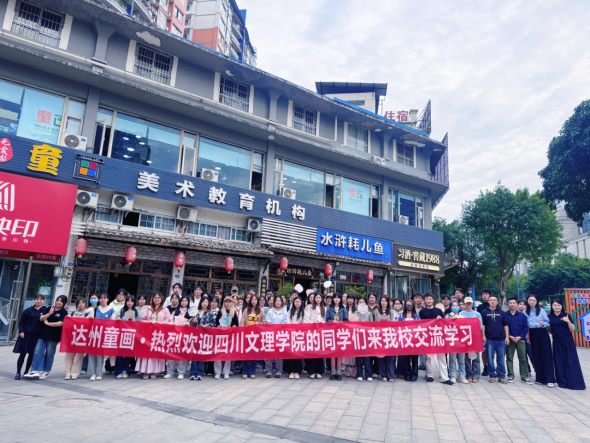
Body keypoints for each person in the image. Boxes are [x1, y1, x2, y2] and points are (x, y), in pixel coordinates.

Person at [24, 295, 68, 380]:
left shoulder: (63, 312)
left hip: (54, 336)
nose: (58, 302)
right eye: (57, 300)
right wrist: (49, 313)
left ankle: (46, 371)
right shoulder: (49, 308)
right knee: (37, 351)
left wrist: (48, 323)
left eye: (61, 301)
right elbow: (41, 318)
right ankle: (35, 370)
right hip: (43, 334)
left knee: (49, 354)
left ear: (64, 303)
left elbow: (60, 323)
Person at [548, 299, 586, 390]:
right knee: (559, 362)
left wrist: (568, 321)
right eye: (555, 305)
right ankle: (562, 383)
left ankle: (574, 382)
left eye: (559, 305)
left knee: (570, 362)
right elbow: (549, 329)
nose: (557, 307)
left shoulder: (567, 315)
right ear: (552, 307)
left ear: (562, 306)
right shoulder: (549, 316)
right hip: (557, 341)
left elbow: (573, 328)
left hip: (568, 341)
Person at [138, 292, 171, 380]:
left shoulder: (165, 309)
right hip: (147, 333)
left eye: (158, 298)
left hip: (159, 334)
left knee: (155, 352)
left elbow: (168, 320)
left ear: (162, 299)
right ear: (152, 299)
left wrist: (160, 323)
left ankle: (153, 371)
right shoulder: (148, 308)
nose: (157, 299)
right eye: (155, 298)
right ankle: (145, 371)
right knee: (146, 352)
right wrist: (148, 322)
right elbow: (142, 320)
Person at [418, 292, 449, 384]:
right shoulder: (422, 312)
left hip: (438, 337)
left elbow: (444, 324)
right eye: (426, 299)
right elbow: (422, 325)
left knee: (442, 358)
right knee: (427, 358)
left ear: (433, 300)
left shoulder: (438, 311)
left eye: (430, 299)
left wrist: (440, 319)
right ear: (424, 300)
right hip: (427, 337)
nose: (428, 301)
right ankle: (429, 375)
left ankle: (444, 377)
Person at [14, 295, 47, 380]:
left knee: (31, 355)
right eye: (37, 299)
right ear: (34, 300)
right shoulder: (28, 310)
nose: (39, 301)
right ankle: (18, 372)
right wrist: (21, 331)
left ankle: (26, 372)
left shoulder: (45, 310)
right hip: (26, 334)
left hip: (36, 336)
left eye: (41, 300)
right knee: (22, 354)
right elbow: (21, 322)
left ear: (43, 301)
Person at [525, 295, 555, 387]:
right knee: (536, 355)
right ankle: (540, 378)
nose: (532, 302)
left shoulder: (541, 311)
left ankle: (550, 379)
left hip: (542, 333)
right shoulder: (525, 312)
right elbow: (525, 326)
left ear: (536, 301)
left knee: (546, 355)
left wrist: (543, 324)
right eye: (530, 300)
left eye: (534, 300)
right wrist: (527, 337)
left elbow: (547, 322)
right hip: (532, 334)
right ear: (528, 301)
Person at [481, 294, 509, 384]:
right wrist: (483, 336)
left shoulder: (502, 312)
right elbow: (483, 325)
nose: (493, 301)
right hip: (489, 339)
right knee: (490, 358)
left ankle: (501, 375)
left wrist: (507, 337)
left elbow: (505, 325)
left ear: (497, 302)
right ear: (488, 301)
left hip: (501, 339)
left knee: (501, 358)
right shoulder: (484, 312)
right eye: (491, 300)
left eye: (494, 300)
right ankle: (492, 375)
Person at [64, 298, 94, 380]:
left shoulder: (89, 313)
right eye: (79, 303)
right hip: (72, 336)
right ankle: (68, 373)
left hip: (82, 337)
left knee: (79, 356)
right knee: (69, 355)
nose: (81, 305)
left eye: (82, 303)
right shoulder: (73, 313)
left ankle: (75, 373)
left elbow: (88, 323)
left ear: (86, 304)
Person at [112, 295, 140, 379]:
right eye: (128, 301)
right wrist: (118, 320)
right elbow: (115, 320)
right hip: (121, 335)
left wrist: (133, 322)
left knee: (128, 354)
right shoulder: (121, 310)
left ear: (134, 302)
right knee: (120, 354)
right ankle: (118, 371)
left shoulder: (137, 311)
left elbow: (140, 323)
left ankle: (126, 370)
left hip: (131, 336)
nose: (129, 303)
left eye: (131, 301)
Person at [504, 297, 531, 384]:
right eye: (510, 303)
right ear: (508, 304)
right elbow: (503, 327)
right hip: (509, 340)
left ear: (517, 304)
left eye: (514, 303)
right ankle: (510, 375)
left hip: (520, 340)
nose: (512, 304)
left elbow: (525, 327)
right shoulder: (505, 315)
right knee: (509, 358)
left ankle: (524, 376)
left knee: (523, 358)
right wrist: (509, 336)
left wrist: (520, 336)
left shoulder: (522, 316)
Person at [189, 296, 216, 380]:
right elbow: (191, 324)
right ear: (201, 302)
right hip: (195, 335)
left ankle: (200, 372)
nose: (205, 303)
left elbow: (213, 324)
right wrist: (193, 321)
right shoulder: (195, 312)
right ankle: (193, 373)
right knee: (194, 354)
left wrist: (207, 325)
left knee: (202, 354)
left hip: (204, 336)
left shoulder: (210, 313)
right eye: (203, 302)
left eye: (206, 302)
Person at [240, 294, 265, 379]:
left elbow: (264, 322)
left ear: (257, 301)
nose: (254, 301)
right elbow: (242, 322)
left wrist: (259, 323)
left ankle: (252, 371)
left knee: (254, 353)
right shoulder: (246, 310)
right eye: (252, 299)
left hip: (256, 335)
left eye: (255, 299)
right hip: (247, 334)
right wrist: (242, 332)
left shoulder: (260, 311)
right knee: (246, 353)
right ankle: (245, 371)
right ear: (250, 301)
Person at [165, 296, 191, 380]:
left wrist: (187, 324)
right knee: (171, 354)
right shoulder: (176, 311)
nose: (184, 302)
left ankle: (181, 372)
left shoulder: (190, 312)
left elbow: (191, 323)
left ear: (188, 302)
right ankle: (170, 372)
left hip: (184, 336)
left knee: (182, 355)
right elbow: (170, 320)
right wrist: (172, 323)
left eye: (185, 301)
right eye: (182, 301)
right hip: (174, 335)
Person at [215, 294, 239, 379]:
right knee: (218, 353)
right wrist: (218, 326)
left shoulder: (234, 313)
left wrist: (234, 326)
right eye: (226, 302)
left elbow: (236, 323)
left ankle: (226, 372)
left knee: (228, 354)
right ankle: (217, 372)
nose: (228, 304)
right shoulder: (220, 312)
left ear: (232, 303)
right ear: (224, 303)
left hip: (229, 337)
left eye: (229, 302)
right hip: (220, 336)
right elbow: (216, 323)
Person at [326, 292, 348, 381]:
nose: (336, 299)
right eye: (335, 298)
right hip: (331, 332)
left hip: (340, 333)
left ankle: (338, 373)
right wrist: (333, 322)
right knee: (332, 353)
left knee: (339, 353)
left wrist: (341, 323)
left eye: (338, 298)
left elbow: (346, 320)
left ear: (341, 299)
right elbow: (327, 320)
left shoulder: (343, 309)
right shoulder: (329, 309)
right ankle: (332, 373)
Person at [285, 296, 308, 379]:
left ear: (301, 303)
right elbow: (288, 322)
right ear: (293, 302)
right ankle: (291, 371)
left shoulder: (304, 312)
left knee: (298, 354)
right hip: (291, 335)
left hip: (300, 335)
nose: (297, 303)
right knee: (291, 354)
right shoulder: (290, 312)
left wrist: (299, 329)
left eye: (299, 301)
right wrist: (293, 329)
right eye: (296, 301)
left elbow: (305, 323)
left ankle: (297, 371)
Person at [265, 296, 288, 378]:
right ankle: (269, 370)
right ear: (274, 302)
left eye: (279, 301)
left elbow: (285, 321)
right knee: (269, 352)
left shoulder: (284, 312)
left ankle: (279, 370)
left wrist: (280, 327)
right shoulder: (270, 311)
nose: (278, 302)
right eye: (276, 300)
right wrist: (273, 327)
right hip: (271, 334)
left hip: (280, 334)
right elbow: (267, 321)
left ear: (282, 302)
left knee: (279, 352)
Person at [446, 301, 468, 384]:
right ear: (451, 307)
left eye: (456, 305)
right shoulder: (448, 316)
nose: (455, 307)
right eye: (453, 305)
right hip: (452, 340)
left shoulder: (462, 316)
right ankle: (453, 376)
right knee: (452, 359)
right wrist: (452, 321)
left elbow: (465, 327)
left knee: (461, 360)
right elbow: (445, 326)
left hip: (461, 340)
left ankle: (462, 376)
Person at [462, 297, 483, 383]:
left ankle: (476, 375)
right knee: (466, 358)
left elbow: (481, 327)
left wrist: (479, 323)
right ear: (464, 304)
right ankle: (468, 374)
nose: (468, 304)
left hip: (475, 338)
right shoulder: (461, 314)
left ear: (472, 304)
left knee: (475, 357)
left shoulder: (477, 314)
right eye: (467, 303)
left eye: (470, 303)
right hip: (465, 338)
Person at [375, 295, 395, 382]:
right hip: (379, 336)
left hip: (389, 336)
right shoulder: (377, 311)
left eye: (385, 301)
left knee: (390, 356)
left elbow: (393, 324)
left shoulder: (391, 312)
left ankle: (390, 375)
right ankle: (383, 375)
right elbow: (376, 323)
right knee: (381, 356)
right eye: (382, 301)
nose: (383, 303)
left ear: (388, 302)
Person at [306, 292, 326, 379]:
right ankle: (312, 371)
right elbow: (307, 318)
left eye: (319, 298)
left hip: (321, 331)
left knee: (320, 352)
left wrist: (322, 322)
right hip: (312, 331)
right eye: (316, 298)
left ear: (322, 299)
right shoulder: (310, 308)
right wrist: (312, 323)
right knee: (312, 352)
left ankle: (319, 371)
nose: (318, 299)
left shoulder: (324, 308)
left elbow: (325, 320)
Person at [399, 299, 418, 382]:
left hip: (414, 339)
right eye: (407, 305)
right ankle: (407, 374)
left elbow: (420, 325)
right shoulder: (402, 315)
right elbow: (398, 326)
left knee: (414, 358)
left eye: (410, 305)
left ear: (413, 306)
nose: (409, 307)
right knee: (406, 358)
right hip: (405, 339)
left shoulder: (416, 315)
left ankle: (414, 374)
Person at [355, 297, 374, 382]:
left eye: (363, 302)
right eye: (360, 302)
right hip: (357, 336)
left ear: (366, 304)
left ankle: (368, 374)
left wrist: (365, 324)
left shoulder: (369, 314)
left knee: (366, 357)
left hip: (366, 337)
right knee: (358, 357)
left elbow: (372, 326)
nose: (361, 304)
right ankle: (359, 374)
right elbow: (352, 324)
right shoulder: (355, 313)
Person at [477, 289, 492, 376]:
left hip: (493, 331)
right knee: (484, 351)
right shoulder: (480, 307)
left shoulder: (495, 306)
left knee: (492, 351)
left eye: (486, 294)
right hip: (483, 332)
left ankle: (492, 367)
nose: (485, 296)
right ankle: (485, 367)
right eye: (483, 294)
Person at [518, 299, 535, 373]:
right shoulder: (516, 314)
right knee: (523, 356)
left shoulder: (528, 314)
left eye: (524, 304)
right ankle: (527, 371)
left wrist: (528, 337)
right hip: (519, 338)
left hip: (528, 338)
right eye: (520, 304)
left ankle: (537, 370)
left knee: (532, 355)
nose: (522, 306)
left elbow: (528, 327)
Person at [343, 293, 358, 377]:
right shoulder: (344, 309)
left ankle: (354, 368)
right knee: (347, 350)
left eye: (352, 299)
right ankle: (347, 368)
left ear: (354, 300)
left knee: (354, 351)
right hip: (346, 332)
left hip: (355, 332)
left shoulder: (357, 309)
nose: (350, 300)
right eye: (349, 298)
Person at [366, 293, 379, 377]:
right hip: (367, 332)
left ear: (375, 298)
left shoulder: (378, 307)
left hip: (377, 332)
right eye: (370, 297)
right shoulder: (365, 307)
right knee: (369, 352)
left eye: (373, 297)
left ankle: (376, 371)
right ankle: (369, 370)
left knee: (376, 351)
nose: (371, 299)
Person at [412, 293, 426, 371]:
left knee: (422, 347)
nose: (418, 299)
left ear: (422, 300)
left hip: (422, 331)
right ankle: (414, 364)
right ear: (413, 299)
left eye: (419, 298)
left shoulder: (425, 310)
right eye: (416, 298)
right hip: (412, 332)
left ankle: (422, 363)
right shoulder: (411, 310)